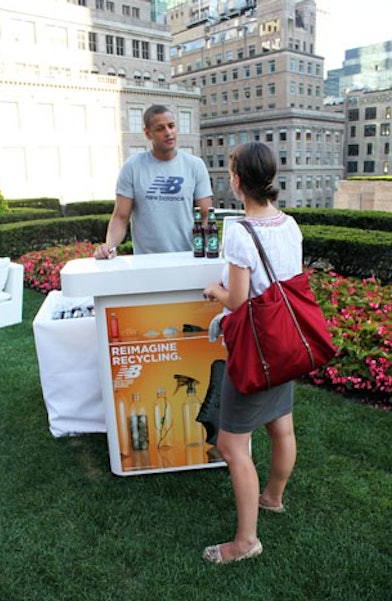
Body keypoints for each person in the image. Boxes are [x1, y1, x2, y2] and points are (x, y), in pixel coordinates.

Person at [202, 141, 303, 564]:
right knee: (281, 427)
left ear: (237, 180)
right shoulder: (290, 224)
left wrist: (214, 291)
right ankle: (273, 498)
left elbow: (239, 300)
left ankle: (246, 542)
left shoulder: (240, 232)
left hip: (253, 351)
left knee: (231, 446)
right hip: (285, 344)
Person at [94, 104, 212, 258]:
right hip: (146, 263)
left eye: (171, 126)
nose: (168, 133)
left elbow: (205, 215)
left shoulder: (195, 165)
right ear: (148, 134)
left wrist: (208, 246)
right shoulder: (132, 167)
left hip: (187, 258)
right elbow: (120, 217)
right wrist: (109, 246)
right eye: (160, 128)